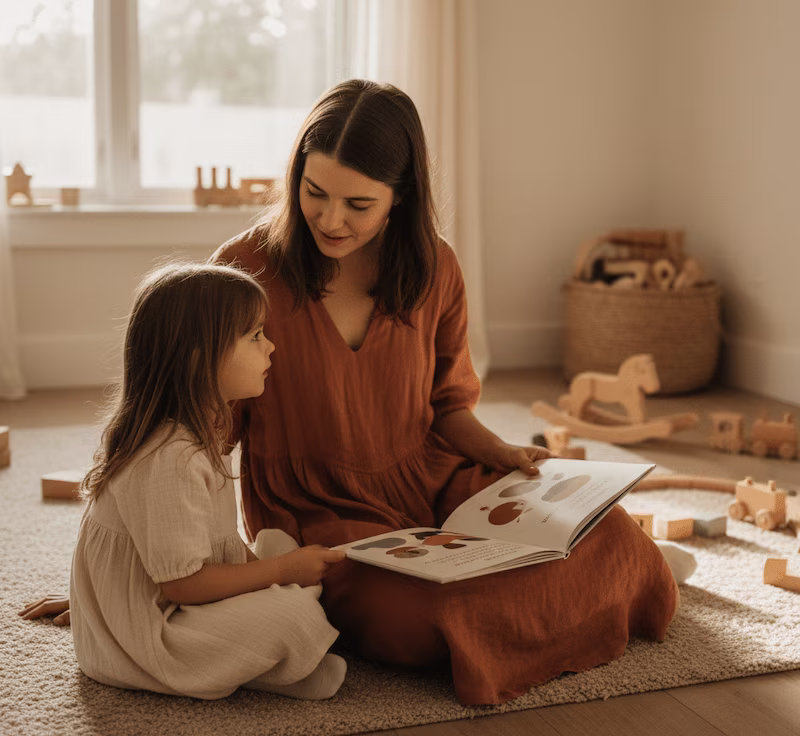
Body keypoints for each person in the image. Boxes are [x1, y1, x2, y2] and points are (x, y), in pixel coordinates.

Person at [208, 79, 683, 705]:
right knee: (424, 613)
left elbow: (448, 406)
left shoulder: (434, 265)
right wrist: (152, 583)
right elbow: (199, 431)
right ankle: (575, 605)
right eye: (314, 192)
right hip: (318, 512)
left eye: (359, 203)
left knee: (615, 535)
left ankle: (580, 591)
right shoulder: (244, 268)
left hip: (432, 478)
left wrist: (502, 452)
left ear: (400, 198)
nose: (330, 219)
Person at [20, 262, 346, 701]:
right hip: (150, 636)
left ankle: (269, 660)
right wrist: (285, 572)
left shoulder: (196, 432)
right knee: (290, 612)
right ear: (199, 357)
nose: (270, 347)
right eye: (254, 336)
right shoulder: (168, 456)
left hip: (171, 601)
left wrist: (283, 567)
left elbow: (203, 548)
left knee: (278, 547)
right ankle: (277, 668)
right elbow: (183, 585)